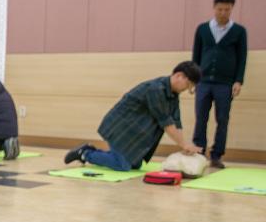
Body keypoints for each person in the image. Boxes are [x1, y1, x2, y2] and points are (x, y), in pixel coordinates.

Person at [65, 62, 202, 171]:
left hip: (133, 132)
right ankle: (85, 153)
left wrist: (185, 145)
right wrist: (184, 145)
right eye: (188, 85)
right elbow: (166, 123)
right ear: (179, 76)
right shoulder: (156, 89)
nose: (187, 89)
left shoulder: (173, 95)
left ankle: (98, 153)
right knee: (122, 165)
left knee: (135, 165)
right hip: (121, 127)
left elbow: (176, 122)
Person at [191, 0, 248, 169]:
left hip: (225, 84)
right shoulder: (202, 29)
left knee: (222, 119)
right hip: (203, 82)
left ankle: (216, 156)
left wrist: (238, 81)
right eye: (220, 9)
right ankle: (199, 152)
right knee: (201, 118)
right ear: (214, 8)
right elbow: (196, 55)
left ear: (231, 9)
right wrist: (193, 79)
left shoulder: (239, 31)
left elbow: (242, 58)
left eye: (227, 9)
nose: (223, 12)